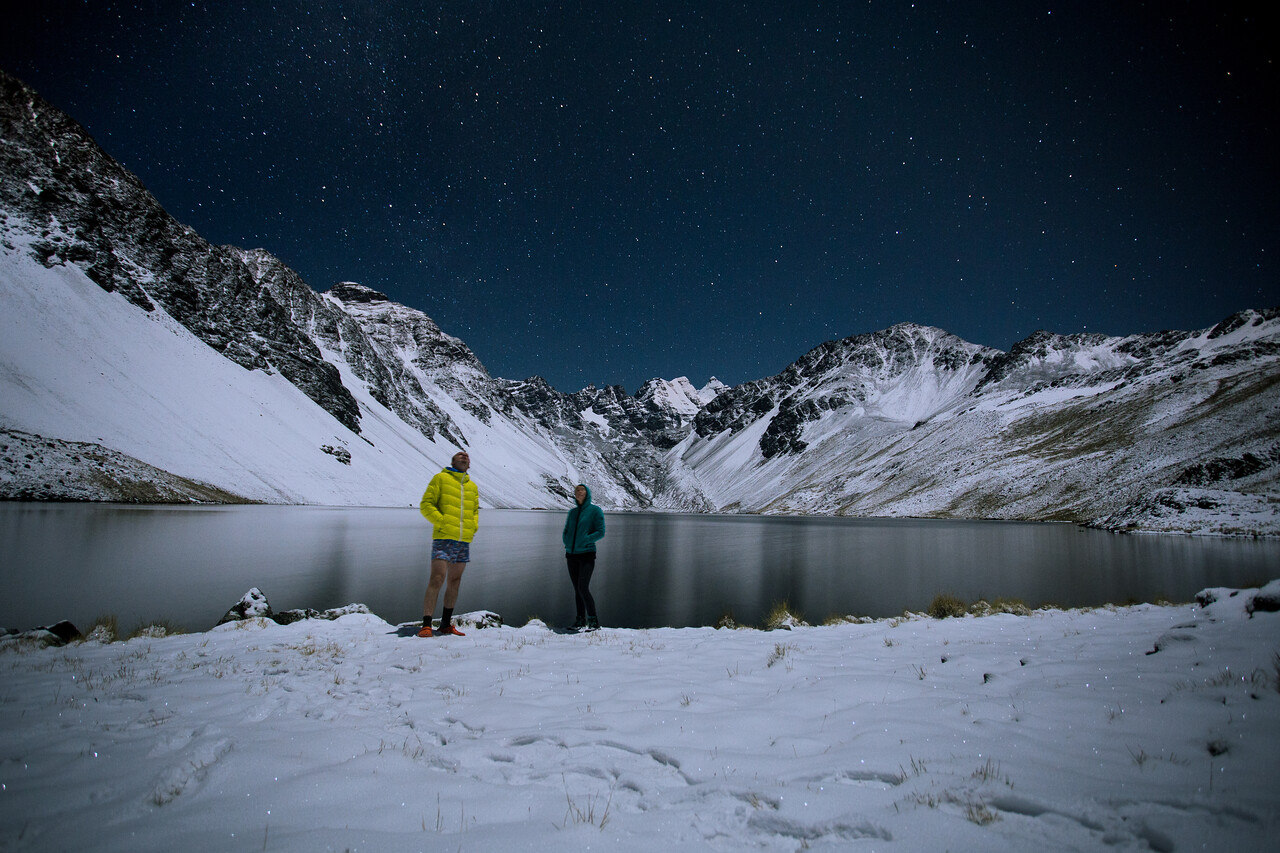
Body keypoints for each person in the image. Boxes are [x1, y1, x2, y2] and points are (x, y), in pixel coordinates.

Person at [418, 450, 479, 637]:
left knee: (455, 581)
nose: (464, 456)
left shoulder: (472, 487)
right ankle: (426, 624)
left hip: (463, 541)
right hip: (444, 538)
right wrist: (442, 522)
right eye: (459, 455)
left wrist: (472, 527)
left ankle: (445, 624)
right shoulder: (440, 479)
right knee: (437, 578)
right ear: (453, 461)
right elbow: (426, 504)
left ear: (469, 465)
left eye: (466, 456)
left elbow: (475, 511)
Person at [562, 483, 605, 632]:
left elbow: (600, 532)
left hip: (586, 555)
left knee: (583, 587)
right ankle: (580, 621)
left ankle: (594, 622)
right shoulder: (572, 512)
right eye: (577, 490)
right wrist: (567, 541)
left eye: (582, 490)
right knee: (577, 589)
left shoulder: (595, 511)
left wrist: (586, 539)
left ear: (587, 493)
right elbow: (566, 530)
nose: (579, 492)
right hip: (571, 555)